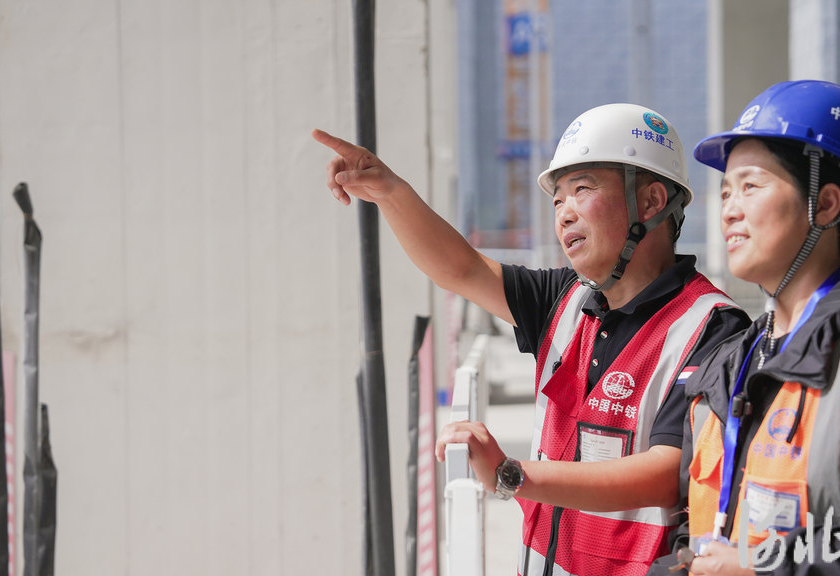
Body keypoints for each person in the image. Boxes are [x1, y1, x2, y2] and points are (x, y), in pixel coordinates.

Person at [314, 102, 749, 576]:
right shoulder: (564, 300)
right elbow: (461, 269)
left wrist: (512, 474)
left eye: (582, 189)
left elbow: (668, 472)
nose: (564, 214)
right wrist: (389, 193)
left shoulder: (712, 327)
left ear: (650, 202)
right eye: (557, 200)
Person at [647, 80, 840, 576]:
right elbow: (699, 528)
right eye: (725, 192)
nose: (729, 209)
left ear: (825, 204)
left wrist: (770, 568)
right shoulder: (728, 365)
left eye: (750, 186)